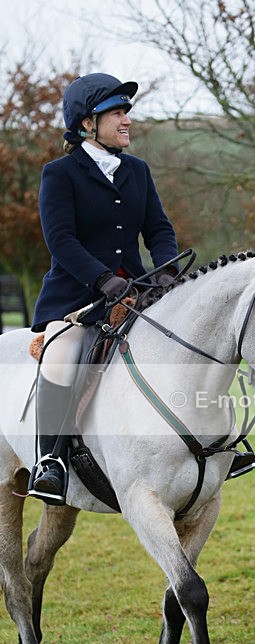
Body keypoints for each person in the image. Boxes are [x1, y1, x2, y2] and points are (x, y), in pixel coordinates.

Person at [28, 73, 180, 505]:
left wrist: (165, 272)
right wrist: (102, 279)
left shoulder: (137, 171)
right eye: (117, 112)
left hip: (134, 296)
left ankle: (214, 445)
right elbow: (61, 240)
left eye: (126, 112)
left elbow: (159, 229)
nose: (126, 120)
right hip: (77, 298)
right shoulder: (59, 174)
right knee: (60, 355)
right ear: (87, 124)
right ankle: (50, 460)